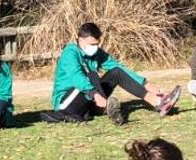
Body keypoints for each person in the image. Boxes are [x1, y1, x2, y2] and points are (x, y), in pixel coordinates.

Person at [47, 23, 181, 125]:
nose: (94, 47)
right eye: (91, 44)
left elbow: (119, 68)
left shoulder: (96, 52)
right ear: (79, 39)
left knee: (116, 72)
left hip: (90, 99)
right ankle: (109, 109)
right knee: (91, 76)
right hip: (67, 105)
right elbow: (77, 78)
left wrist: (146, 84)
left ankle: (157, 101)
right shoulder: (69, 53)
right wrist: (94, 93)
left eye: (97, 44)